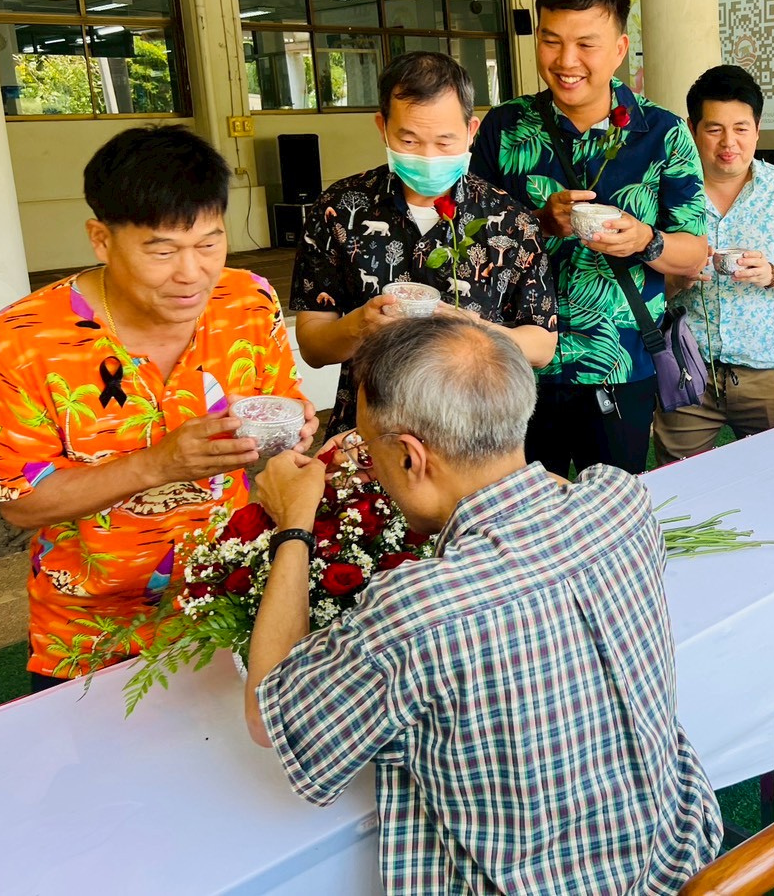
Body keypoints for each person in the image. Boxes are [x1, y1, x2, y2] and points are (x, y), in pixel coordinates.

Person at [244, 317, 721, 893]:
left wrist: (294, 523)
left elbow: (270, 717)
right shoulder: (621, 500)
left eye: (369, 449)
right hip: (681, 858)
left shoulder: (416, 610)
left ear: (411, 457)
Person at [0, 127, 316, 689]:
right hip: (88, 633)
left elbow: (281, 400)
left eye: (209, 244)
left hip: (228, 601)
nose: (191, 273)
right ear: (101, 239)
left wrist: (291, 426)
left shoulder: (248, 301)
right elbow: (22, 503)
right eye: (162, 251)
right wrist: (159, 463)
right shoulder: (26, 339)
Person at [471, 0, 708, 475]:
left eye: (586, 44)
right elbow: (471, 245)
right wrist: (539, 223)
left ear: (620, 49)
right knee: (523, 509)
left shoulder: (662, 134)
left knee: (614, 504)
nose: (566, 61)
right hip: (517, 365)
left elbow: (694, 253)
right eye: (551, 41)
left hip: (619, 363)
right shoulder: (506, 127)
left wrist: (645, 240)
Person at [291, 51, 557, 438]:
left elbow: (542, 346)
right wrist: (360, 326)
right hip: (370, 434)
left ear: (471, 130)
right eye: (409, 140)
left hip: (476, 435)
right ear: (383, 127)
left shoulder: (510, 220)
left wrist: (476, 329)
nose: (428, 157)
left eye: (445, 142)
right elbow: (313, 347)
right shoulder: (339, 210)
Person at [653, 66, 774, 463]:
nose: (728, 142)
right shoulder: (667, 193)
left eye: (740, 128)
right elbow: (643, 286)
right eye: (714, 129)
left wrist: (773, 274)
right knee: (679, 483)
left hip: (767, 369)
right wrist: (677, 279)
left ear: (757, 129)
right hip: (687, 367)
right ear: (692, 128)